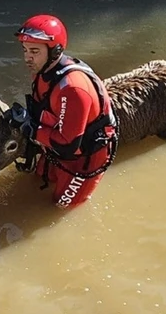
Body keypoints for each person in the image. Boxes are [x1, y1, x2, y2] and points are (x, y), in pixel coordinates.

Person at [14, 14, 118, 208]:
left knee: (61, 206)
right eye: (25, 50)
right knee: (37, 178)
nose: (27, 57)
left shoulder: (72, 89)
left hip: (85, 157)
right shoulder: (41, 71)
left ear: (55, 51)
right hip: (59, 143)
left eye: (34, 51)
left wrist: (31, 129)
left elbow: (68, 145)